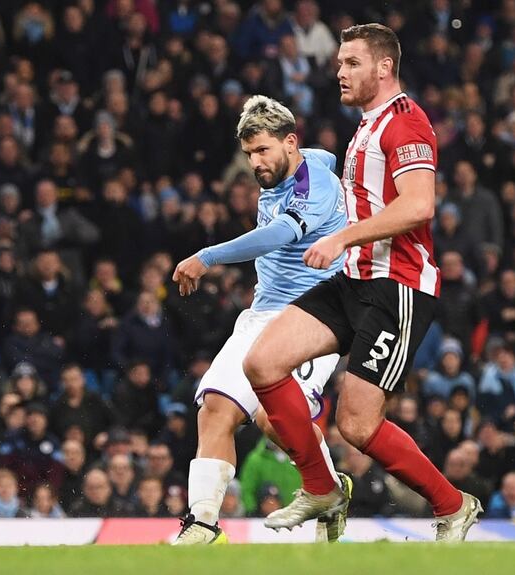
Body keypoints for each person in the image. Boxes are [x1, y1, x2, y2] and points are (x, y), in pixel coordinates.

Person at [241, 24, 481, 541]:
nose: (340, 72)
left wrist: (342, 237)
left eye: (351, 63)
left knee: (357, 425)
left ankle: (452, 504)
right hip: (354, 280)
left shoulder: (406, 122)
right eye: (340, 64)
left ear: (384, 67)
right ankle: (322, 488)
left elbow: (419, 206)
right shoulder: (365, 128)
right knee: (262, 363)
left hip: (398, 288)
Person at [170, 95, 350, 545]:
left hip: (313, 316)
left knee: (275, 419)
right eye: (249, 153)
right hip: (261, 314)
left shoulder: (315, 184)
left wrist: (207, 256)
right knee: (215, 406)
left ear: (290, 142)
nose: (255, 162)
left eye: (263, 150)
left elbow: (279, 235)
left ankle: (329, 487)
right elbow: (326, 153)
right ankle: (204, 524)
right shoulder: (296, 163)